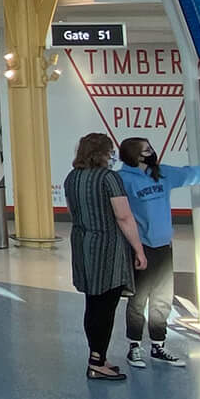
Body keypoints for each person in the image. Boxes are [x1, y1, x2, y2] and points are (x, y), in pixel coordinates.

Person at [115, 137, 200, 367]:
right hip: (140, 248)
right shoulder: (123, 179)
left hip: (164, 246)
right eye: (147, 150)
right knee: (138, 300)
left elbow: (196, 173)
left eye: (151, 148)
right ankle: (134, 347)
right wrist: (134, 249)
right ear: (134, 155)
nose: (152, 152)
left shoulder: (163, 174)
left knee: (162, 299)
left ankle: (158, 345)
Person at [65, 133, 147, 382]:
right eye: (110, 151)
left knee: (93, 303)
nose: (112, 155)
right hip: (107, 246)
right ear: (102, 152)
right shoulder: (109, 178)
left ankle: (96, 356)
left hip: (82, 243)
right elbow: (123, 216)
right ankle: (97, 361)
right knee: (106, 305)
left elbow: (72, 210)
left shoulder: (72, 177)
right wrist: (139, 249)